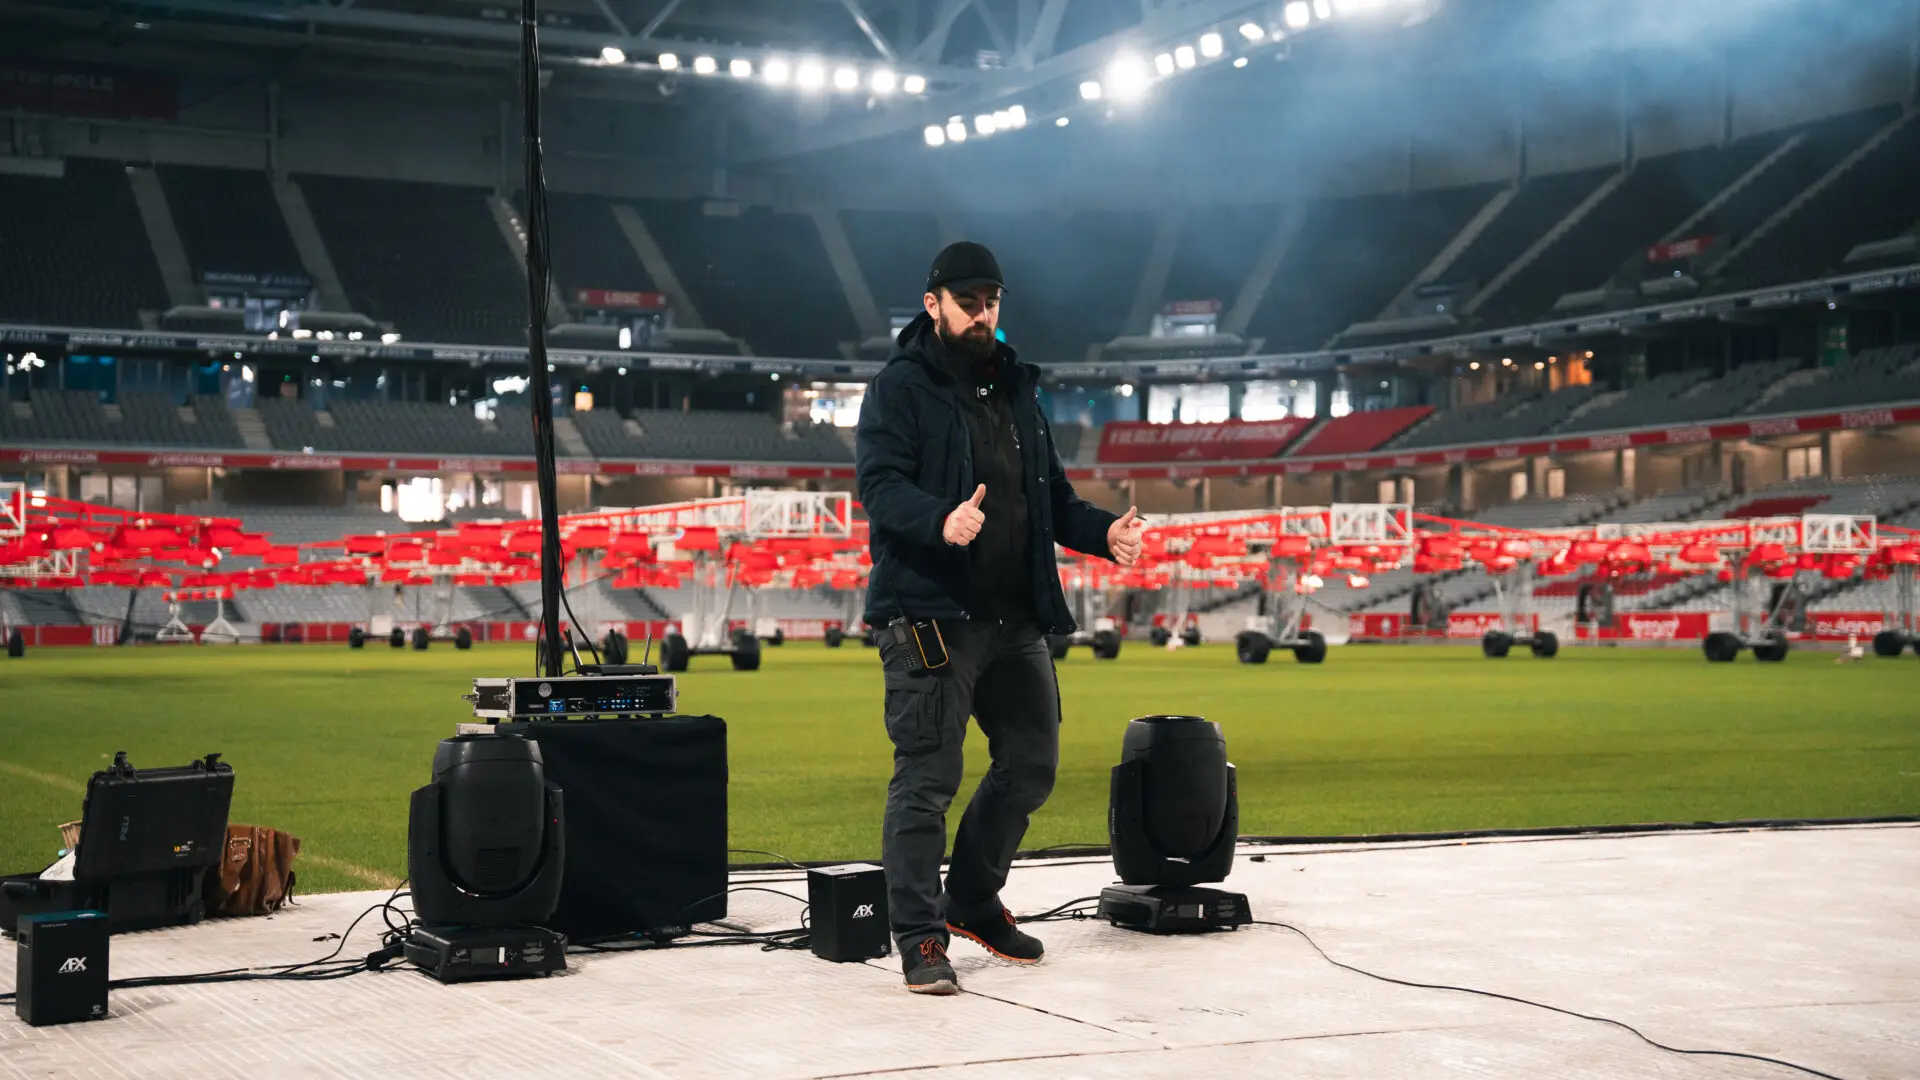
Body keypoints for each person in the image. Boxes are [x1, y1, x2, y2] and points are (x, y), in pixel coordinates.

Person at [855, 241, 1145, 995]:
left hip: (1016, 619)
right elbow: (879, 486)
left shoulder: (1017, 388)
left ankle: (972, 899)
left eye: (991, 302)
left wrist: (1103, 533)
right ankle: (919, 936)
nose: (982, 314)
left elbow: (1052, 499)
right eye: (968, 302)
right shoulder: (898, 387)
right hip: (930, 615)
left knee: (1032, 766)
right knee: (928, 778)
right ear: (933, 305)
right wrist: (939, 519)